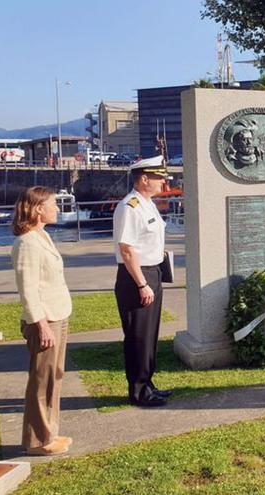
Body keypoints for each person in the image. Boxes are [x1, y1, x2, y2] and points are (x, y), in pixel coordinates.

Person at [11, 186, 74, 455]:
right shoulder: (26, 242)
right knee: (41, 380)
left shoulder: (42, 236)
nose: (57, 208)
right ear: (38, 209)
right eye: (52, 204)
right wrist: (41, 324)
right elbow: (28, 290)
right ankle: (37, 440)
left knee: (53, 377)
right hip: (45, 321)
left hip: (57, 315)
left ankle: (49, 433)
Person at [114, 156, 172, 407]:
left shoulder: (148, 204)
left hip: (152, 272)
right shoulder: (130, 206)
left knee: (149, 335)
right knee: (138, 335)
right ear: (144, 179)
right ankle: (138, 391)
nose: (163, 182)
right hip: (136, 276)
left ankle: (147, 383)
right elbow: (126, 249)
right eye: (159, 178)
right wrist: (141, 283)